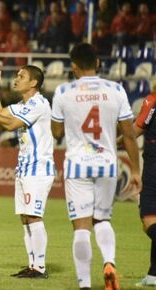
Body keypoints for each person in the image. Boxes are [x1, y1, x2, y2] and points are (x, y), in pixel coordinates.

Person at [51, 43, 141, 290]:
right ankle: (109, 262)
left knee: (81, 227)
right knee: (102, 220)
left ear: (73, 66)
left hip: (77, 166)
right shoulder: (116, 90)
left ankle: (85, 285)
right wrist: (135, 170)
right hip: (107, 164)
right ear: (98, 63)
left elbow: (57, 132)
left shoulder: (63, 91)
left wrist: (65, 122)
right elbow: (130, 135)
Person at [0, 64, 54, 278]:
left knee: (34, 217)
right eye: (17, 75)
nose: (16, 79)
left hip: (38, 168)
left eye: (21, 76)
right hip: (25, 168)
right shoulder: (23, 104)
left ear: (33, 83)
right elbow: (0, 113)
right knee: (25, 218)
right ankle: (32, 264)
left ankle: (40, 267)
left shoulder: (38, 104)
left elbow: (9, 125)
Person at [129, 92, 156, 287]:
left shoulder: (153, 99)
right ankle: (153, 275)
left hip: (154, 167)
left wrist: (113, 143)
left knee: (149, 220)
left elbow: (135, 130)